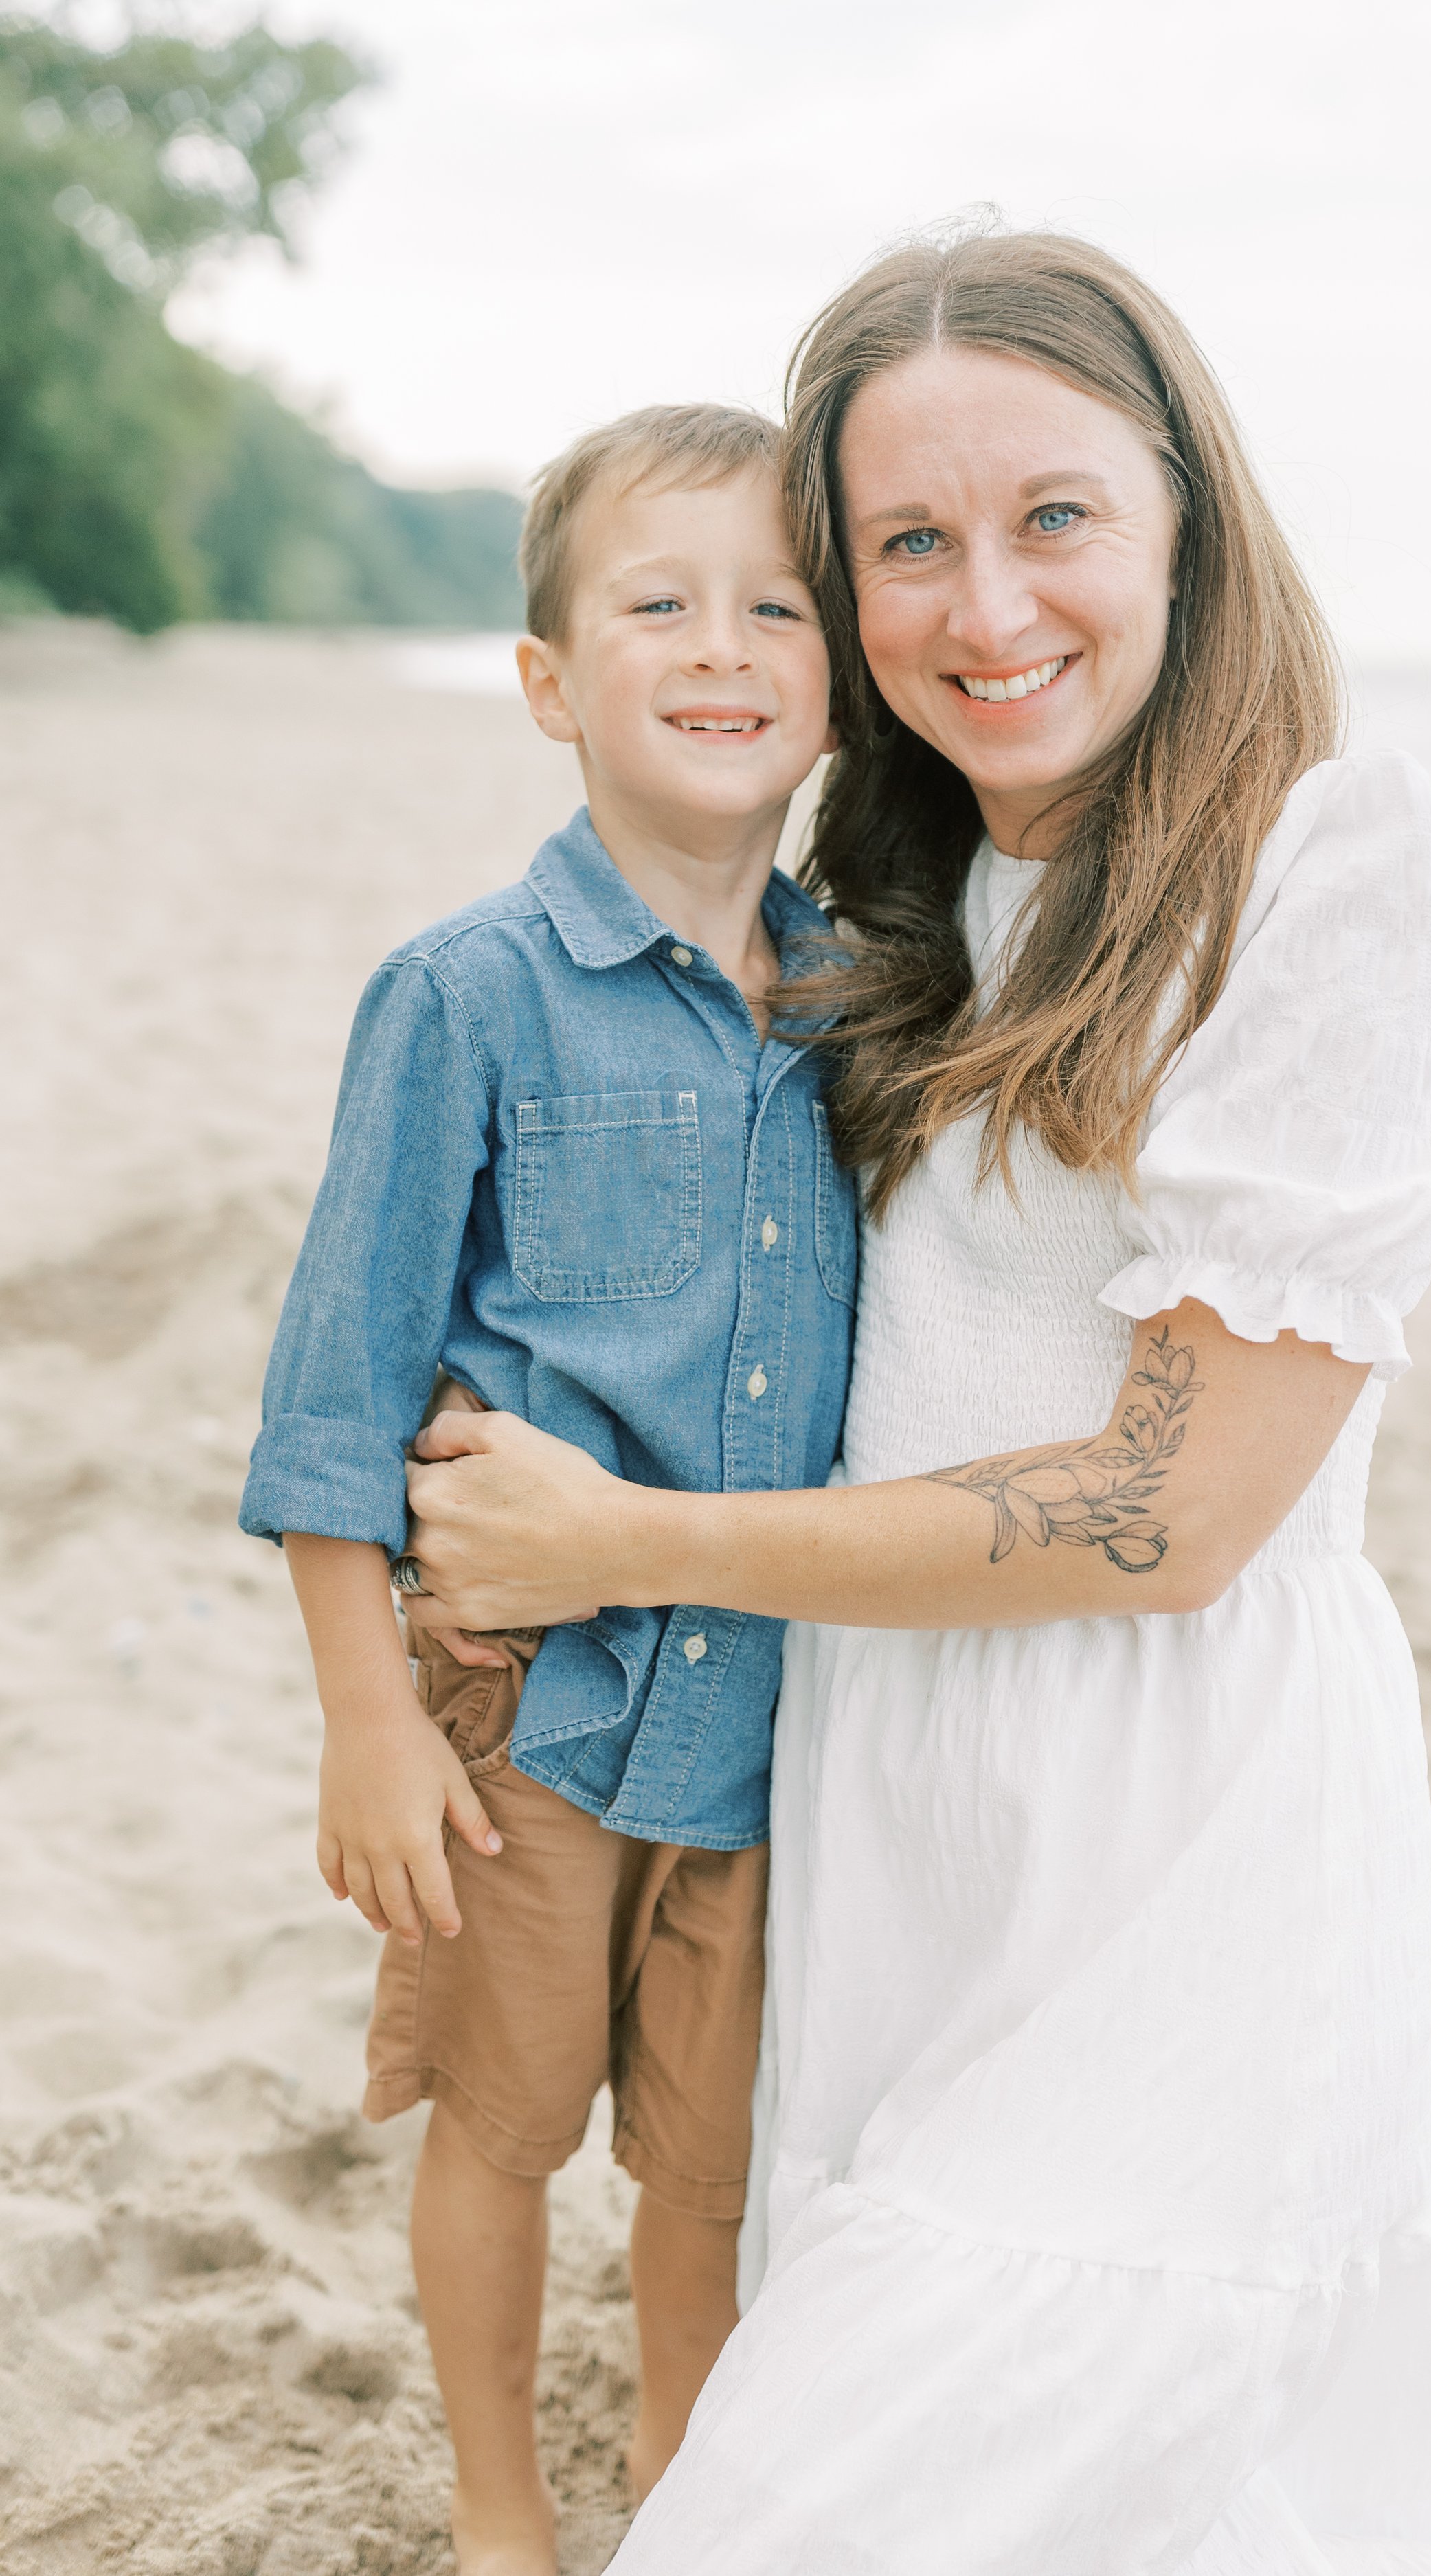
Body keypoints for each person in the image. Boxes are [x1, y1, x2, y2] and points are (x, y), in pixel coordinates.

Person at [398, 235, 1431, 2572]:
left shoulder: (1319, 869)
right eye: (906, 545)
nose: (987, 608)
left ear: (1184, 513)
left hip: (1175, 1830)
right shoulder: (907, 890)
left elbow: (1172, 1517)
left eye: (1054, 516)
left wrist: (624, 1545)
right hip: (882, 1802)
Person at [238, 403, 855, 2573]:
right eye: (657, 602)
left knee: (708, 2180)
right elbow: (337, 1392)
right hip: (530, 1722)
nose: (722, 645)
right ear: (547, 681)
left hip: (779, 1726)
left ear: (840, 674)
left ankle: (679, 2510)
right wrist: (364, 1718)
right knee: (499, 2136)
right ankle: (504, 2512)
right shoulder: (464, 999)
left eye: (778, 604)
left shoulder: (872, 1011)